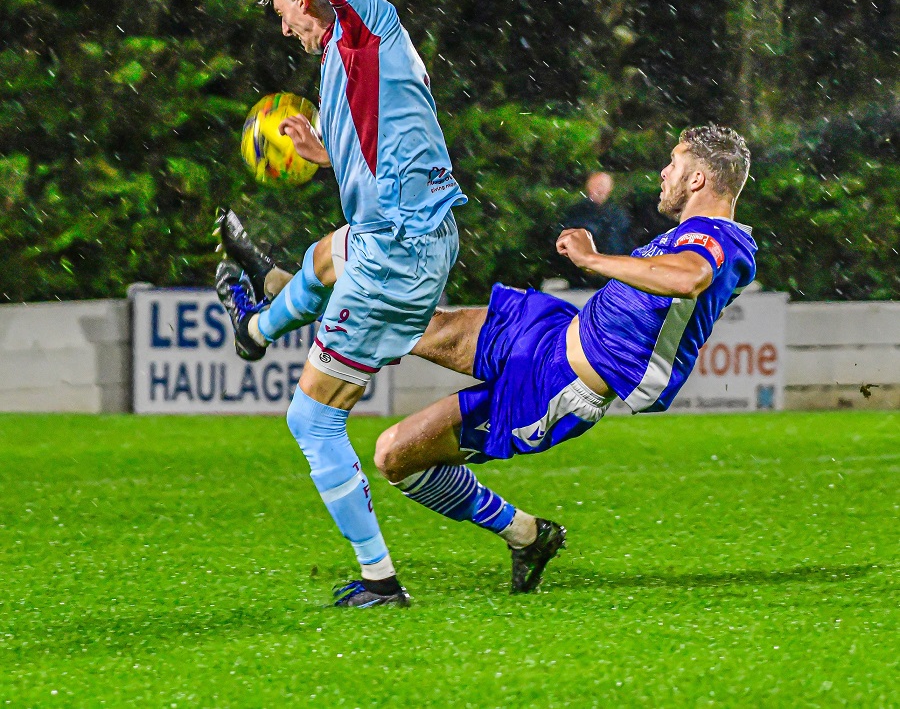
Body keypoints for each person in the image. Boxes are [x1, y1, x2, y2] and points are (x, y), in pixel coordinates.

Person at [223, 126, 757, 593]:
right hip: (550, 330)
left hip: (558, 387)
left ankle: (525, 533)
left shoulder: (721, 241)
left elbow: (690, 277)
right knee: (400, 316)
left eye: (674, 163)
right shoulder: (693, 233)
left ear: (698, 180)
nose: (663, 172)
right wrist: (339, 160)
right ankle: (275, 294)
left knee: (393, 455)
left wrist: (594, 261)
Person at [214, 0, 466, 608]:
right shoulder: (343, 65)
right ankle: (258, 325)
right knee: (328, 254)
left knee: (311, 419)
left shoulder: (364, 24)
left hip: (400, 254)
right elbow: (389, 147)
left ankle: (379, 580)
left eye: (288, 10)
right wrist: (328, 154)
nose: (288, 29)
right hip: (409, 239)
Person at [554, 172, 633, 286]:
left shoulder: (618, 213)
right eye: (598, 185)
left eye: (604, 185)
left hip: (612, 277)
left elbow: (625, 241)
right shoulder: (576, 212)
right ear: (589, 186)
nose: (601, 189)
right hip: (581, 278)